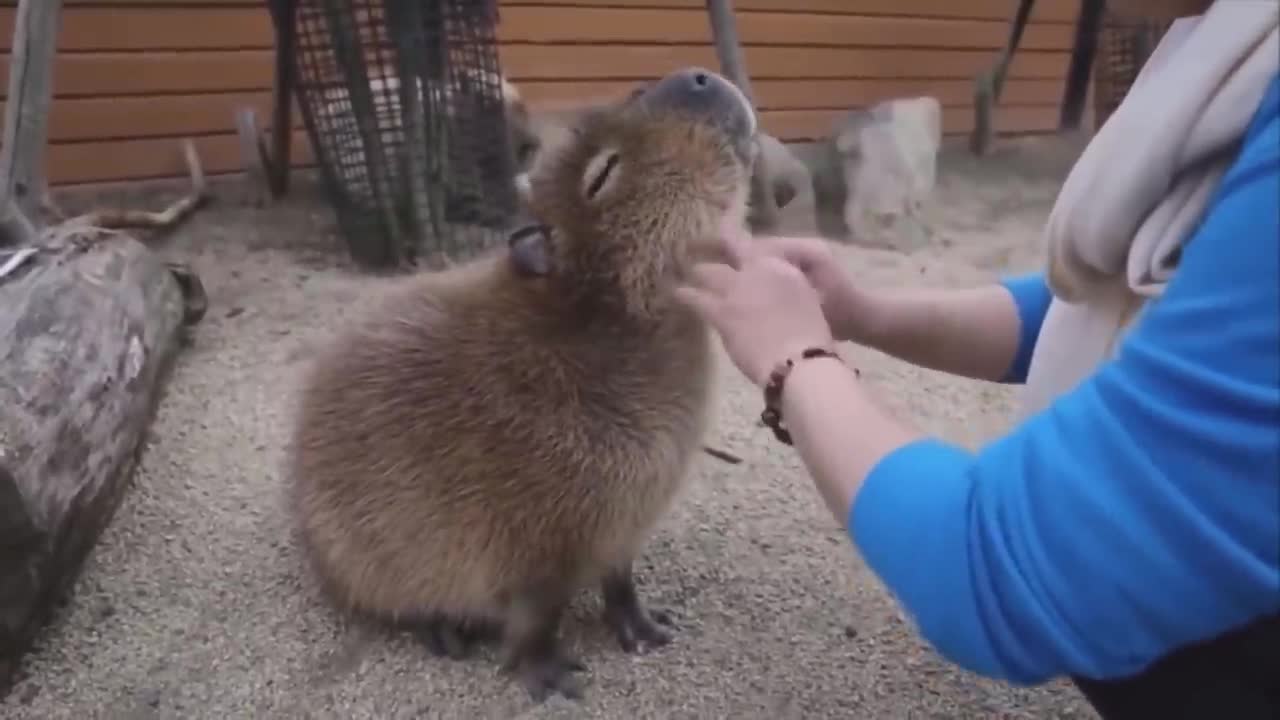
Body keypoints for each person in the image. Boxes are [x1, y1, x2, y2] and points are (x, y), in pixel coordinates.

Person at [674, 0, 1279, 718]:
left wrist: (794, 359)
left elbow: (1005, 575)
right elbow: (1110, 310)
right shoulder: (1230, 36)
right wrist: (864, 312)